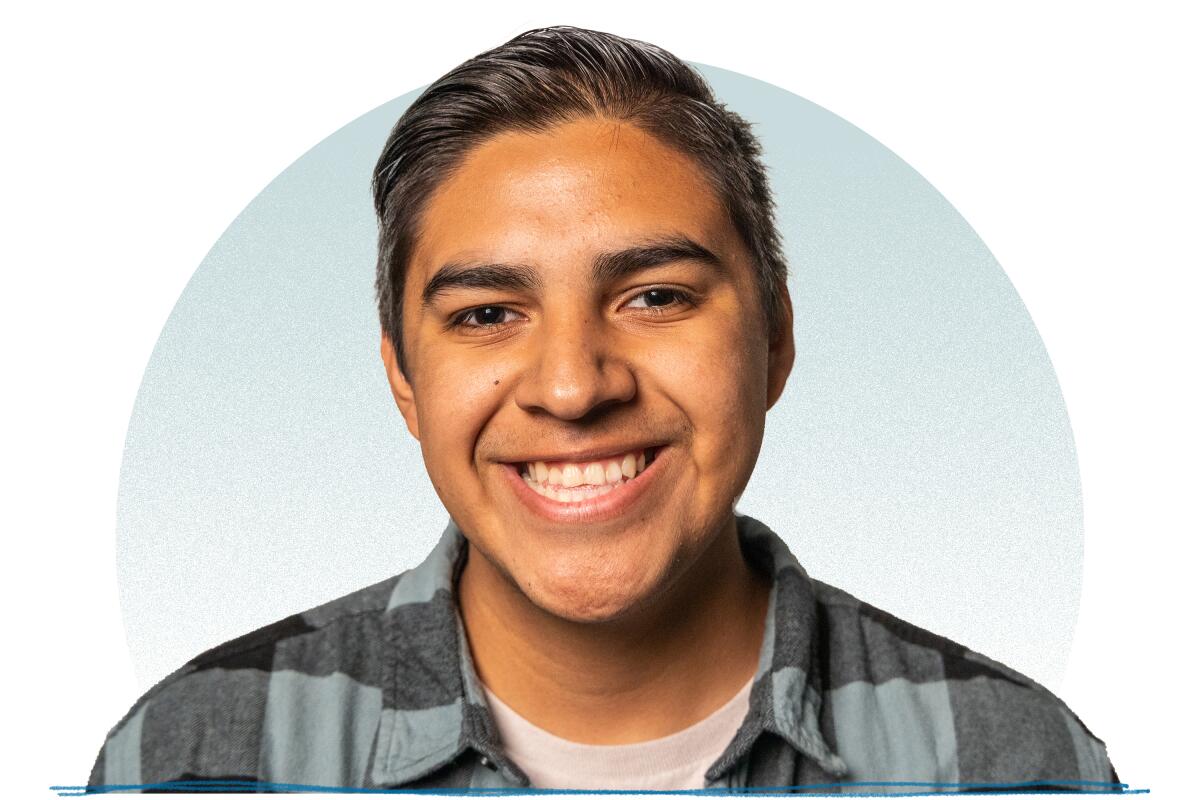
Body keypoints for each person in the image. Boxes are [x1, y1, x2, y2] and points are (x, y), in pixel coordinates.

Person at [89, 26, 1118, 793]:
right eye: (488, 312)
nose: (574, 386)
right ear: (404, 378)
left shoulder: (1020, 762)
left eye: (655, 296)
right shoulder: (191, 756)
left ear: (774, 341)